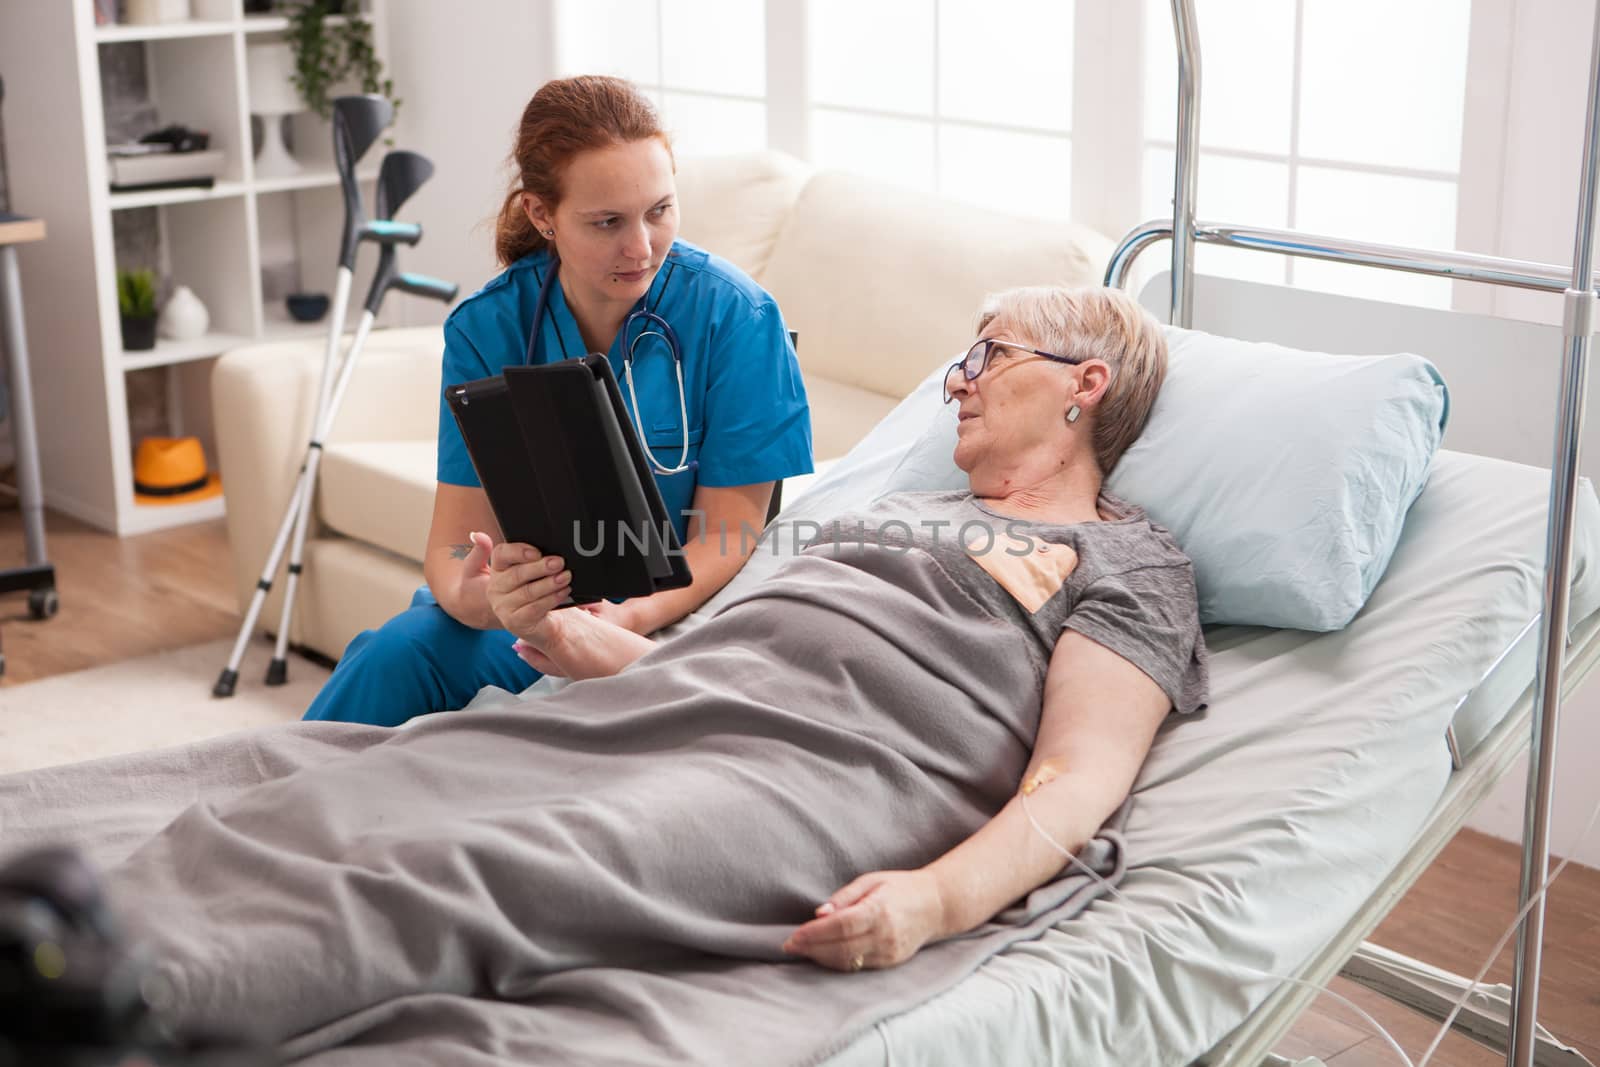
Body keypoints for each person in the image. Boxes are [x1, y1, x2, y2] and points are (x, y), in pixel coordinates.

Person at [0, 286, 1205, 1055]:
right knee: (320, 774)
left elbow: (1077, 772)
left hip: (822, 774)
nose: (958, 379)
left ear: (1081, 385)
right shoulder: (882, 510)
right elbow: (743, 650)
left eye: (986, 355)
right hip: (678, 706)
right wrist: (606, 652)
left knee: (488, 858)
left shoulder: (1125, 559)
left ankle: (122, 991)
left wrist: (934, 900)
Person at [303, 75, 813, 727]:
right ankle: (260, 813)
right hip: (534, 621)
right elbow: (454, 551)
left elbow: (729, 533)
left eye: (659, 210)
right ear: (543, 215)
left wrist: (620, 619)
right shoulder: (488, 329)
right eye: (608, 222)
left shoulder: (737, 319)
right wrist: (496, 599)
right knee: (393, 655)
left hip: (679, 618)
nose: (641, 246)